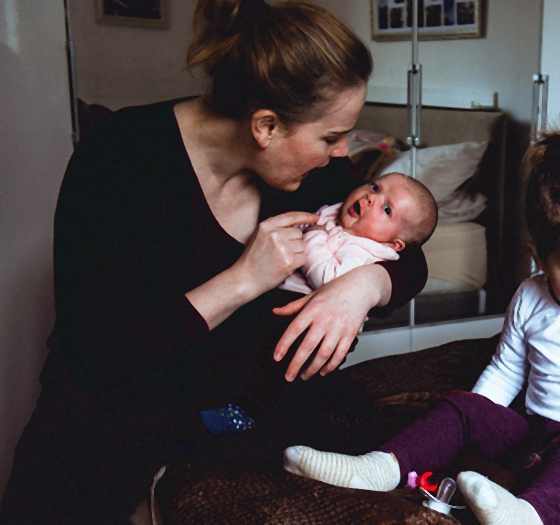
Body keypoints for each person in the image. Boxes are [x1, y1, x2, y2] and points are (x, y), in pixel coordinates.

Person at [0, 1, 430, 524]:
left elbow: (409, 256)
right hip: (103, 439)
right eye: (329, 137)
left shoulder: (315, 176)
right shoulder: (119, 161)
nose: (342, 156)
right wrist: (242, 281)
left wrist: (363, 286)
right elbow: (100, 355)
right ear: (266, 126)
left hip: (224, 439)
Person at [282, 131, 560, 525]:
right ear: (541, 260)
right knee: (464, 404)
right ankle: (379, 468)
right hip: (537, 432)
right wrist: (476, 416)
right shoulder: (531, 297)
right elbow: (507, 369)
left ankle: (527, 516)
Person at [280, 172, 438, 294]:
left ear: (391, 244)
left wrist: (313, 235)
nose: (371, 197)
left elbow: (327, 281)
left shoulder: (363, 252)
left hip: (307, 313)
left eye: (387, 209)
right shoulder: (337, 211)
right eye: (375, 188)